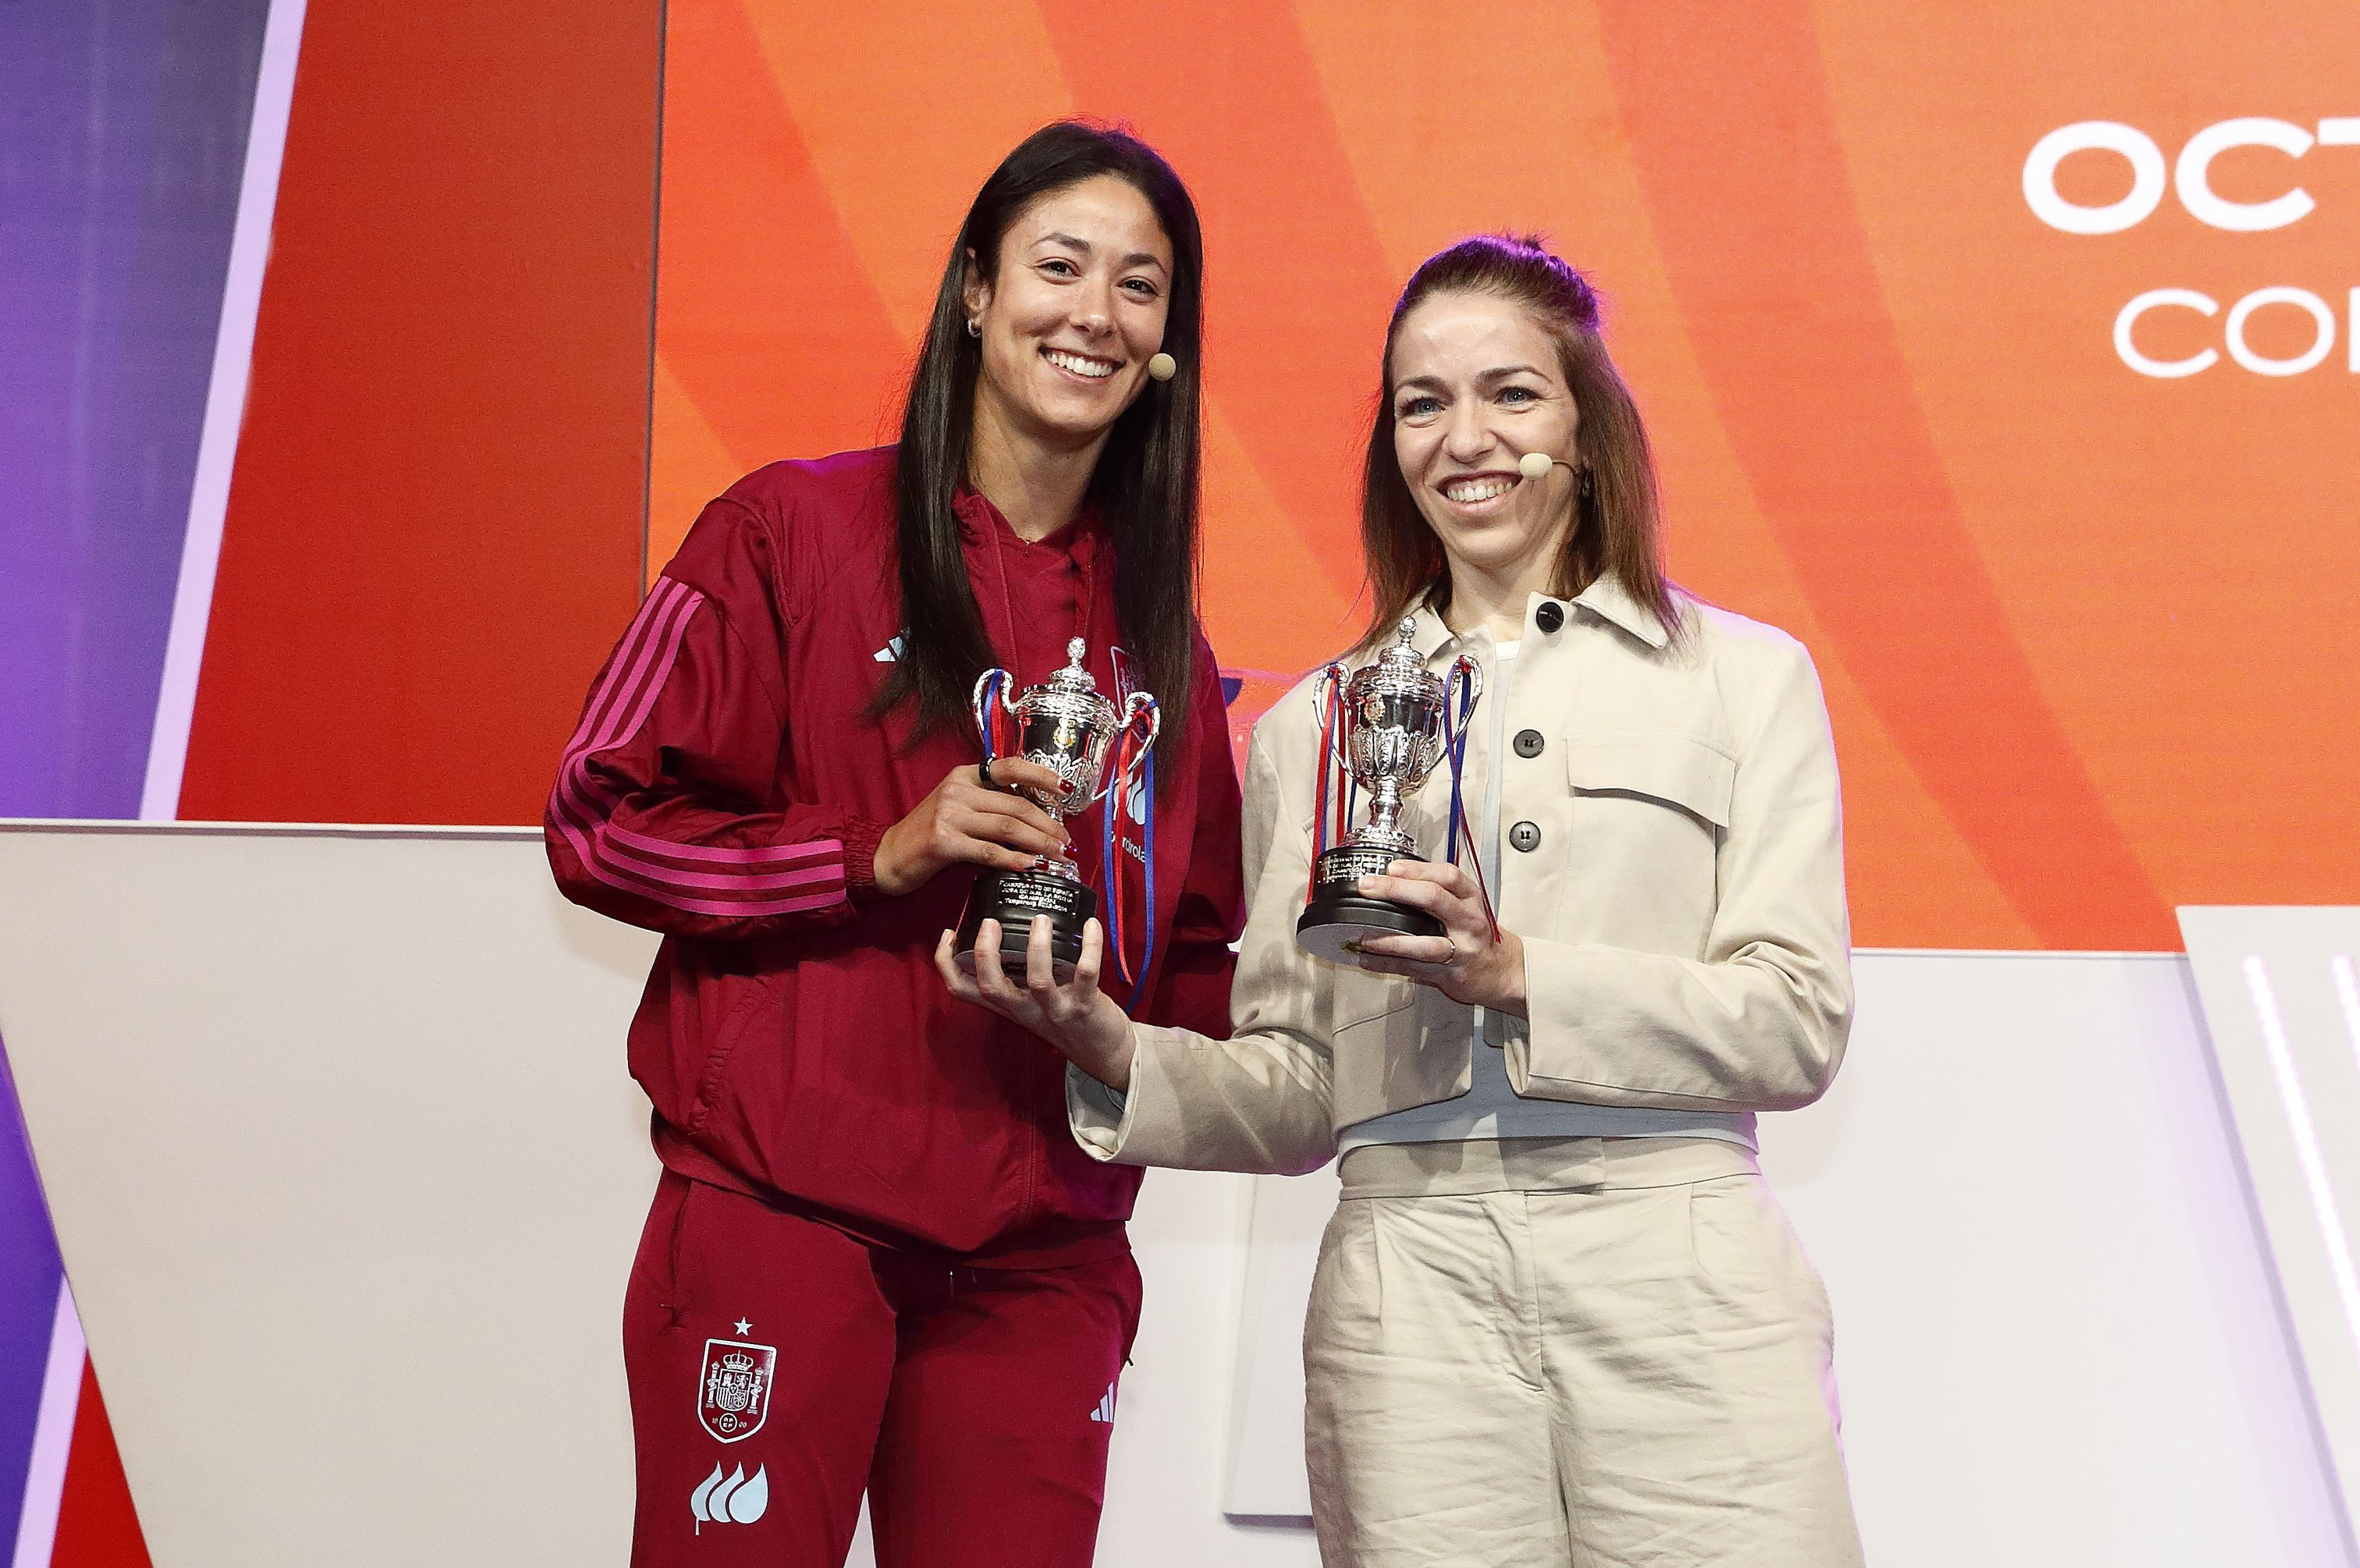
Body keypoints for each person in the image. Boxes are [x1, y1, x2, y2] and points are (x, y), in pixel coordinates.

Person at [942, 233, 1863, 1566]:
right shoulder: (1310, 726)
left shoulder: (1743, 676)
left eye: (1510, 393)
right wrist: (1108, 1044)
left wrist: (1519, 972)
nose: (1462, 437)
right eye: (1421, 404)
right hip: (1407, 1279)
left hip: (1678, 1251)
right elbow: (1298, 1088)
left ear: (1587, 428)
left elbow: (1795, 1022)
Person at [548, 121, 1243, 1568]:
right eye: (1059, 266)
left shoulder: (1165, 642)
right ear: (976, 290)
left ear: (1167, 339)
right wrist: (869, 853)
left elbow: (1196, 953)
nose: (1093, 314)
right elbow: (596, 817)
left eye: (1139, 285)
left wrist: (1125, 1037)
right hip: (782, 1222)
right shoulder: (784, 530)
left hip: (1041, 1261)